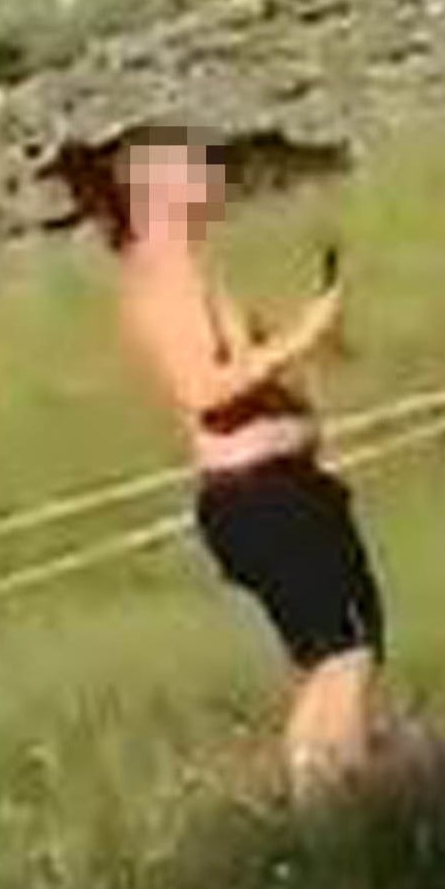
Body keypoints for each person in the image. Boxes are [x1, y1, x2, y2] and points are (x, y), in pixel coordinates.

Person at [61, 126, 383, 797]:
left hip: (281, 488)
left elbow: (244, 373)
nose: (212, 175)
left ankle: (329, 804)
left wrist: (306, 352)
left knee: (336, 656)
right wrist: (300, 337)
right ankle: (337, 806)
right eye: (194, 167)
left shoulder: (188, 271)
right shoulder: (167, 278)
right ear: (157, 191)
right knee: (344, 657)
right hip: (261, 493)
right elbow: (204, 390)